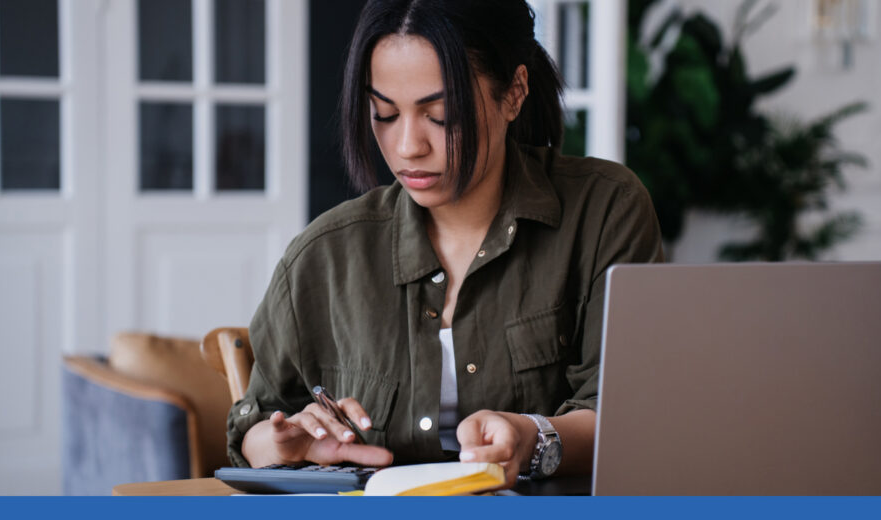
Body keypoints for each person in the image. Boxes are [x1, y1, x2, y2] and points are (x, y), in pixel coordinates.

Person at [227, 0, 664, 488]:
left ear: (514, 92)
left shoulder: (604, 212)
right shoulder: (324, 257)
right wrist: (288, 444)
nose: (408, 145)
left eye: (441, 115)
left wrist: (535, 436)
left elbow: (631, 416)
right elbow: (256, 426)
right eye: (384, 113)